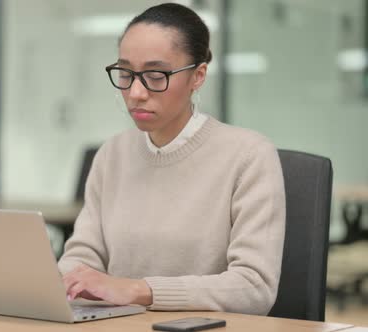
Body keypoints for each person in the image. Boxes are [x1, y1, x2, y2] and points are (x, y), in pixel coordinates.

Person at [57, 3, 286, 315]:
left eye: (155, 75)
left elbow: (253, 286)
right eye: (125, 73)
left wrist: (138, 290)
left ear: (198, 76)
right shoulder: (111, 155)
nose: (136, 92)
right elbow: (81, 259)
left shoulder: (249, 156)